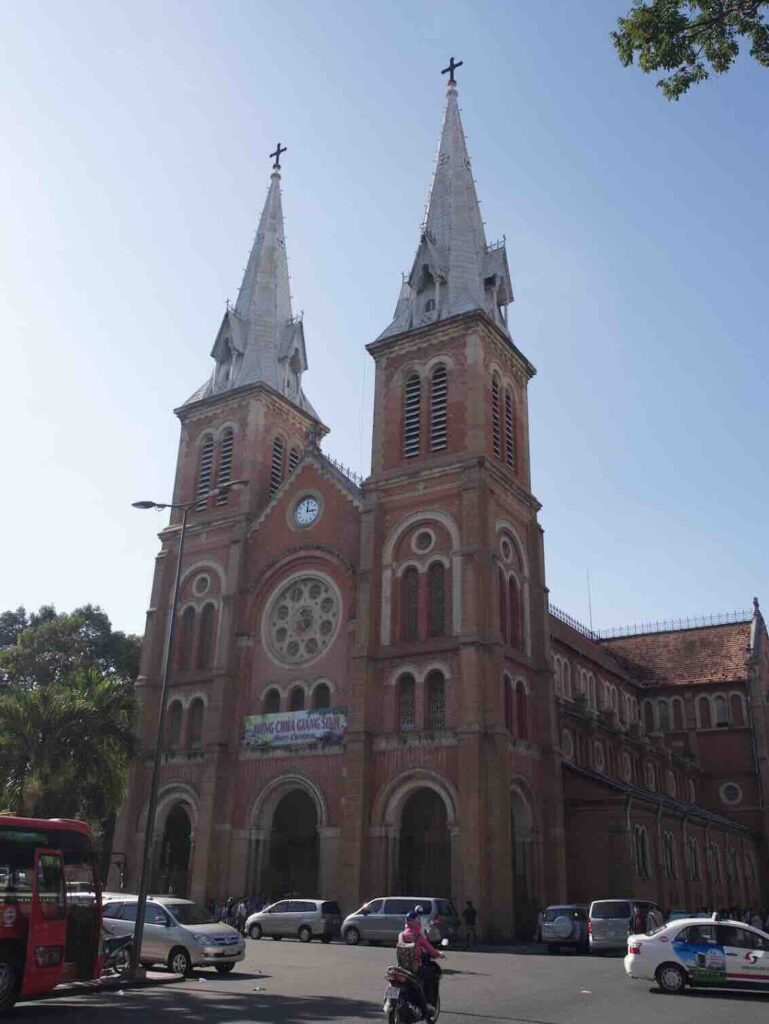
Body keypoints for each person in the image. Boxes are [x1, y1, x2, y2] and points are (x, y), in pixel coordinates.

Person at [397, 910, 444, 1020]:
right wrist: (440, 954)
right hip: (415, 968)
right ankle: (429, 1005)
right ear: (416, 922)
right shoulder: (418, 936)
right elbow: (432, 951)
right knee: (432, 977)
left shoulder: (401, 935)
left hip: (402, 968)